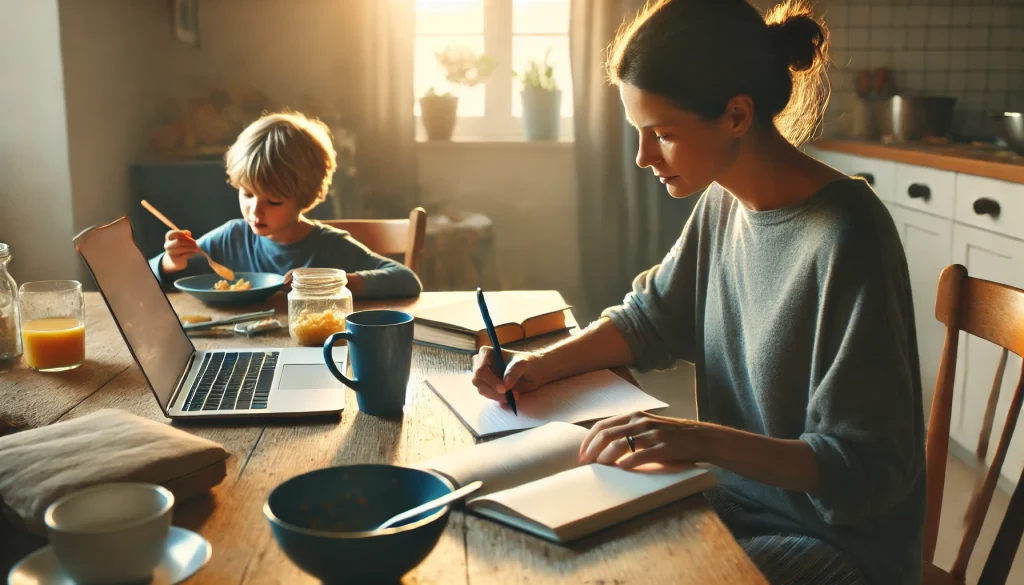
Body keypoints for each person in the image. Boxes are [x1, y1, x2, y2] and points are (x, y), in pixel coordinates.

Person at [471, 1, 924, 584]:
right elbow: (648, 321)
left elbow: (865, 466)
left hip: (835, 545)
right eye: (639, 133)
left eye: (662, 134)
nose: (643, 157)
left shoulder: (848, 234)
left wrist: (698, 440)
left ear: (737, 114)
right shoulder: (722, 203)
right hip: (731, 500)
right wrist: (538, 363)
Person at [148, 110, 422, 299]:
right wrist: (170, 262)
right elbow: (146, 281)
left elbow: (406, 280)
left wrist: (334, 282)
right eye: (247, 194)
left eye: (274, 201)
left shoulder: (329, 246)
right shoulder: (231, 238)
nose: (255, 210)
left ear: (304, 197)